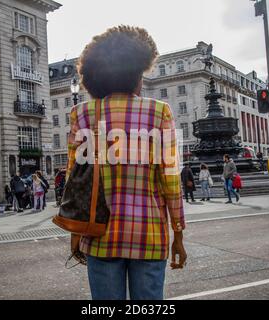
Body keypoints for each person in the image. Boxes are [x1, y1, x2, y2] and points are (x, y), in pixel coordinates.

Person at [67, 26, 186, 300]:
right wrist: (177, 231)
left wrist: (75, 232)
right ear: (135, 74)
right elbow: (170, 180)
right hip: (148, 234)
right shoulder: (159, 112)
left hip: (100, 236)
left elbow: (75, 179)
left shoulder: (82, 114)